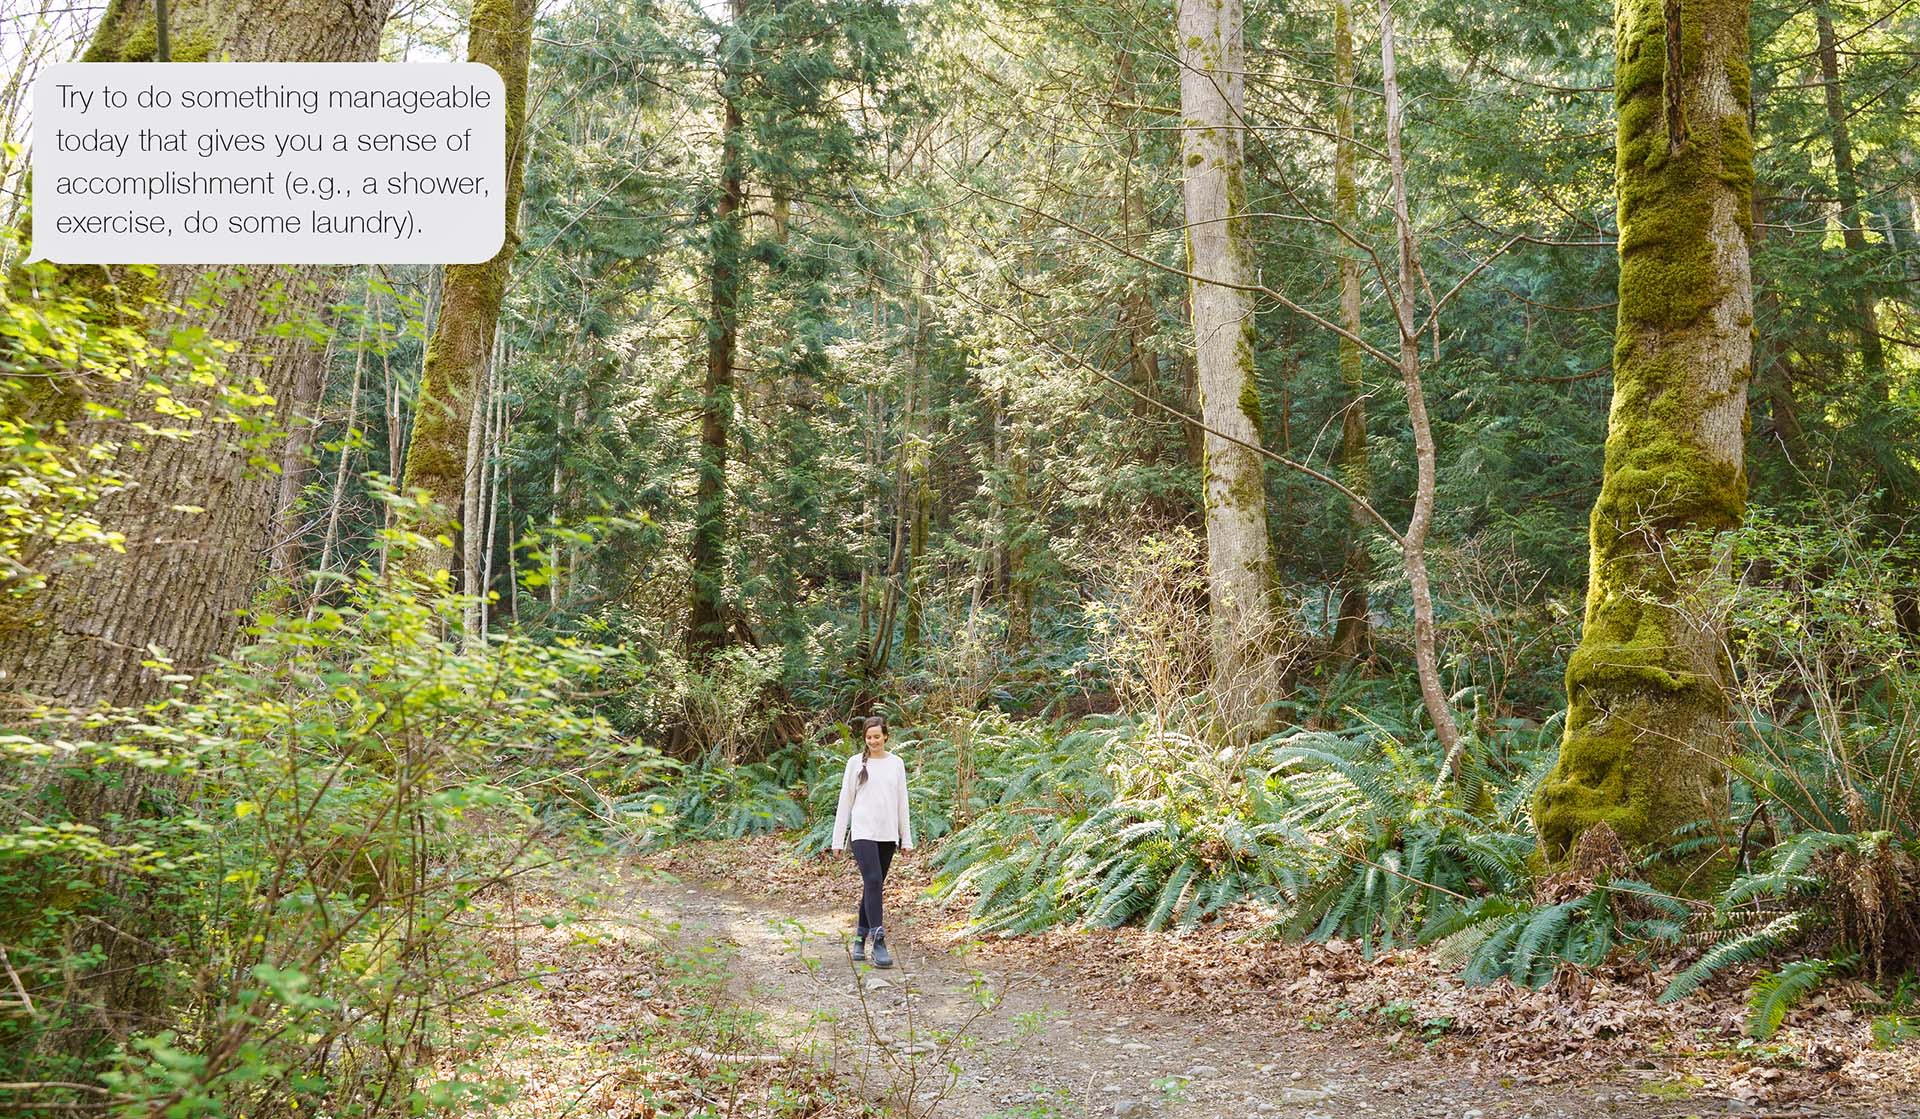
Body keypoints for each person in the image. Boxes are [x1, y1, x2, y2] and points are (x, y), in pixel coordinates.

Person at [830, 714, 913, 967]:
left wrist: (905, 838)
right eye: (868, 737)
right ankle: (878, 942)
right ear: (864, 739)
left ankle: (859, 938)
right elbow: (845, 801)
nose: (873, 741)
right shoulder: (855, 763)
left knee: (872, 886)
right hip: (863, 832)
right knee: (874, 880)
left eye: (877, 736)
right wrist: (838, 839)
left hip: (887, 834)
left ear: (886, 736)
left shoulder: (896, 763)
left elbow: (902, 802)